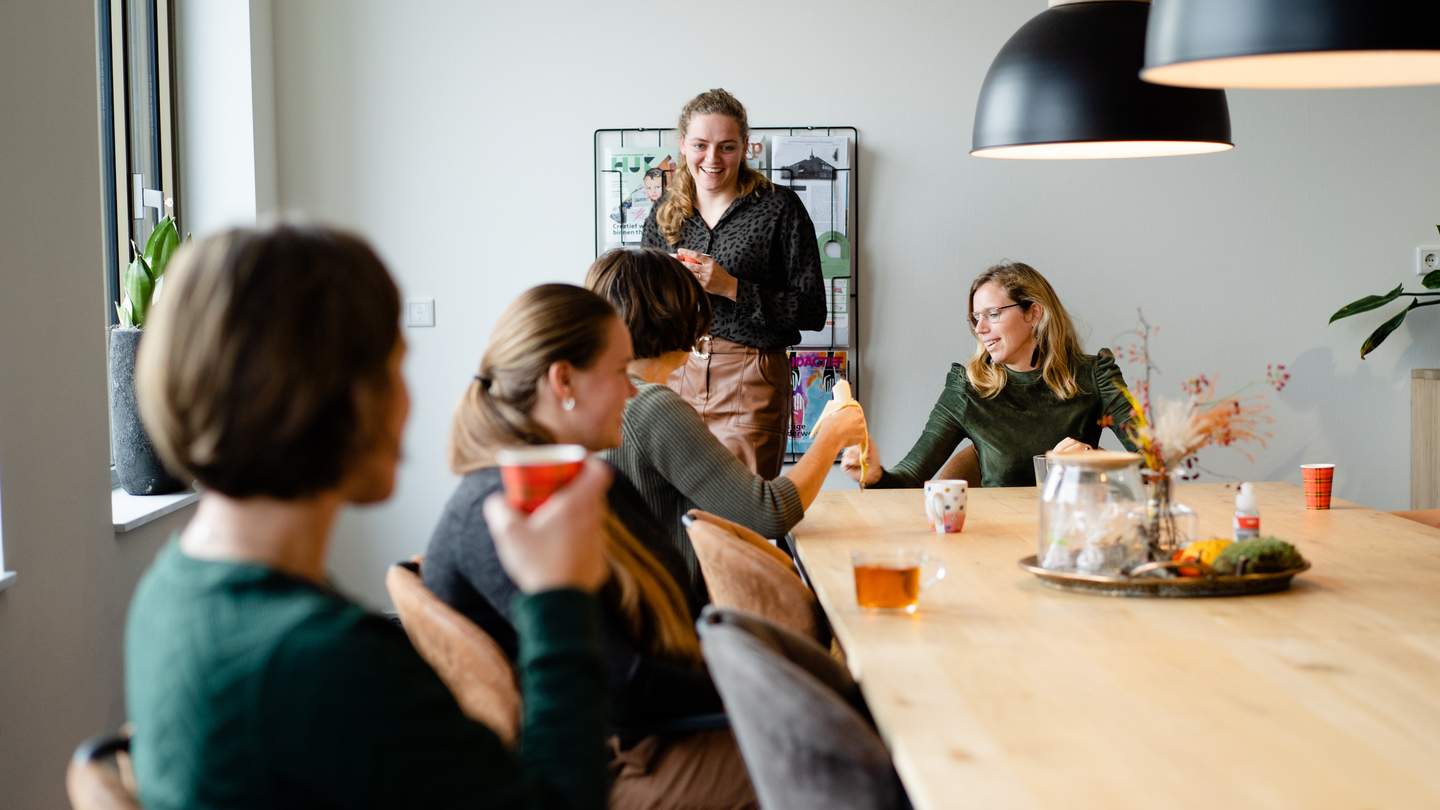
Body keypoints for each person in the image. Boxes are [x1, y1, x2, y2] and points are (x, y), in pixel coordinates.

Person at [125, 224, 613, 810]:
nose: (407, 400)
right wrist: (559, 594)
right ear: (330, 392)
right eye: (394, 367)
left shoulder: (169, 590)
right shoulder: (327, 661)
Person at [423, 284, 757, 810]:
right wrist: (766, 688)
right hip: (611, 765)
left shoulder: (591, 481)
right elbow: (623, 689)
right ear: (564, 381)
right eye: (622, 371)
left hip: (651, 735)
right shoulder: (501, 514)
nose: (633, 392)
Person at [587, 247, 865, 591]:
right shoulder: (654, 406)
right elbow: (769, 513)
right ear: (676, 315)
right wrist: (833, 435)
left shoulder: (599, 401)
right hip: (676, 623)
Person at [644, 88, 826, 480]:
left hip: (751, 376)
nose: (712, 159)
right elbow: (647, 312)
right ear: (682, 144)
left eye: (726, 147)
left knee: (746, 515)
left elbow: (812, 310)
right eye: (700, 145)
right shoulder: (662, 216)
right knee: (677, 515)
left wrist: (731, 287)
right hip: (675, 374)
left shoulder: (779, 208)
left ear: (745, 146)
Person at [844, 260, 1141, 489]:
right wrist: (875, 476)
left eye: (993, 314)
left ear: (1034, 313)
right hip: (996, 543)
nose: (980, 328)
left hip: (1077, 538)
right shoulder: (967, 388)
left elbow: (1156, 463)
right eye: (976, 317)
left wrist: (1095, 460)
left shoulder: (1096, 376)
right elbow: (907, 479)